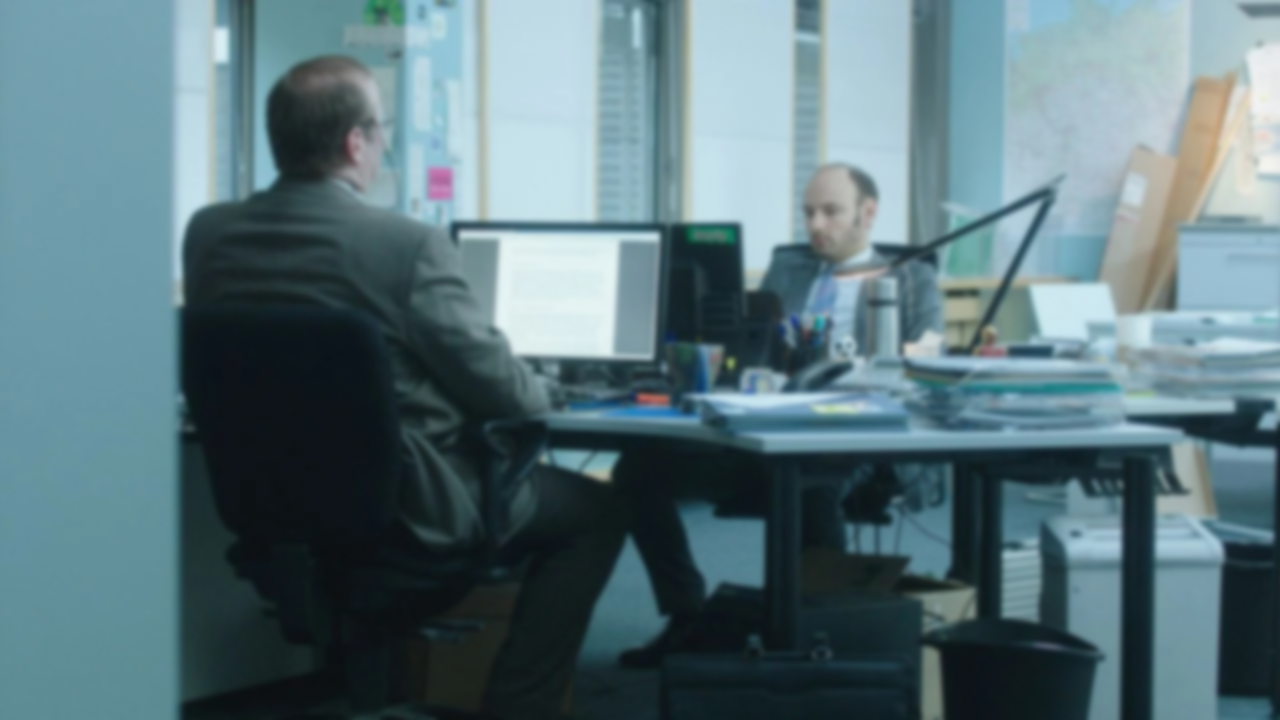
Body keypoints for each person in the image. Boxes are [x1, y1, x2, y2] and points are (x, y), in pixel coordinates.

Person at [183, 56, 625, 720]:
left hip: (269, 506)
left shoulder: (209, 232)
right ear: (355, 143)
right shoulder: (402, 243)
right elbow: (515, 399)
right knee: (600, 511)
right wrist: (542, 383)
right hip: (410, 517)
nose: (382, 143)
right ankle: (517, 708)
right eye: (380, 130)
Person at [612, 163, 943, 668]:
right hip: (766, 429)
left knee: (812, 484)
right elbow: (758, 348)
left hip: (852, 443)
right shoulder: (788, 270)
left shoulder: (913, 278)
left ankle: (818, 637)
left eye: (831, 211)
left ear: (868, 213)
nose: (816, 225)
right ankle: (686, 616)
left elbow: (924, 366)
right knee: (637, 472)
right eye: (809, 212)